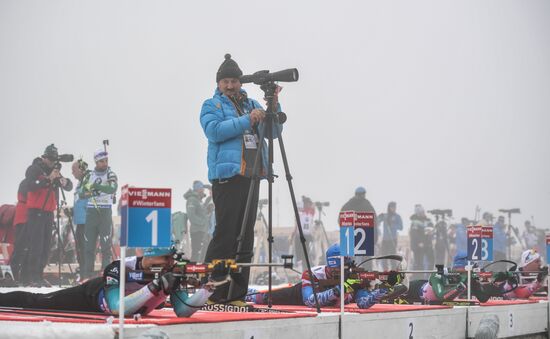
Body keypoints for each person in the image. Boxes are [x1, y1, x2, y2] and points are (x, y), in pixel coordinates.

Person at [199, 54, 282, 305]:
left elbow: (273, 132)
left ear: (241, 83)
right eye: (225, 81)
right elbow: (214, 131)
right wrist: (248, 120)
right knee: (225, 233)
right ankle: (211, 291)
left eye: (234, 81)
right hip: (227, 176)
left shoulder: (252, 102)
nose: (230, 85)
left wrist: (273, 106)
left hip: (252, 174)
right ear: (219, 83)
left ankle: (236, 294)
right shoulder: (211, 106)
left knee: (245, 236)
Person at [0, 248, 229, 317]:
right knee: (37, 301)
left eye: (171, 259)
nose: (169, 263)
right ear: (147, 256)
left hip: (134, 302)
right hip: (90, 298)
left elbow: (183, 311)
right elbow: (119, 309)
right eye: (164, 258)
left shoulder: (171, 270)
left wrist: (208, 287)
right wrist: (155, 287)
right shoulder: (119, 267)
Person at [246, 244, 405, 309]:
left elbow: (364, 303)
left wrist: (384, 289)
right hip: (297, 296)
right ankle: (243, 292)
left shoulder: (356, 277)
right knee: (261, 297)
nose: (347, 269)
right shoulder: (313, 274)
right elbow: (310, 301)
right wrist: (340, 289)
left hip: (331, 301)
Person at [18, 144, 73, 286]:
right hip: (36, 212)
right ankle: (31, 277)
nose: (52, 161)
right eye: (49, 158)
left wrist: (62, 180)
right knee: (35, 245)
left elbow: (68, 186)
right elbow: (30, 185)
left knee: (45, 246)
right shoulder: (34, 169)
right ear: (44, 157)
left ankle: (39, 275)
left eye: (54, 159)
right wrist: (48, 179)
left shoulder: (54, 171)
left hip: (49, 213)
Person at [80, 149, 118, 279]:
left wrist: (97, 188)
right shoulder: (89, 175)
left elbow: (112, 188)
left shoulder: (110, 174)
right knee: (89, 246)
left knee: (105, 247)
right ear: (96, 161)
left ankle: (106, 275)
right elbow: (81, 193)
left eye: (106, 160)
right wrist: (89, 192)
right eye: (101, 161)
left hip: (104, 212)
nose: (105, 163)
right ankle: (87, 275)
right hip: (91, 212)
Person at [339, 186, 377, 269]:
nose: (361, 196)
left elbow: (374, 220)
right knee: (351, 261)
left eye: (362, 194)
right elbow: (341, 219)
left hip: (363, 236)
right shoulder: (350, 205)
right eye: (360, 194)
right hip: (355, 236)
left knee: (365, 261)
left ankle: (366, 277)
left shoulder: (366, 204)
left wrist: (375, 236)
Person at [72, 159, 89, 280]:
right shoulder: (80, 182)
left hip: (87, 221)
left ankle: (87, 275)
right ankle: (83, 274)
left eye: (73, 170)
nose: (72, 173)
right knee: (80, 249)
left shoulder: (89, 180)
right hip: (80, 221)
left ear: (81, 169)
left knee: (85, 250)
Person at [184, 180, 209, 261]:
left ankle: (198, 269)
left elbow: (200, 213)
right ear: (198, 189)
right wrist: (202, 222)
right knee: (196, 252)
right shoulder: (192, 199)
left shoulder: (199, 200)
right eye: (202, 188)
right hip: (197, 231)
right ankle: (193, 270)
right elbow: (191, 215)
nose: (203, 190)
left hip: (202, 230)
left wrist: (207, 210)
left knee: (202, 252)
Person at [409, 204, 433, 277]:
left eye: (423, 211)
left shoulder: (427, 221)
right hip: (418, 246)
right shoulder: (415, 222)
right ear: (418, 213)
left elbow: (430, 230)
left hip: (427, 244)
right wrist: (419, 242)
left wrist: (430, 230)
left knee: (430, 261)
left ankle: (429, 276)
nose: (423, 213)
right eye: (421, 212)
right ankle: (418, 277)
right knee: (419, 263)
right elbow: (414, 234)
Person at [377, 201, 403, 270]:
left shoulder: (397, 216)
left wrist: (392, 225)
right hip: (385, 239)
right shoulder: (385, 216)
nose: (394, 208)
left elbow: (401, 227)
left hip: (393, 239)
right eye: (392, 207)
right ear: (389, 207)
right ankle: (385, 270)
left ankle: (393, 270)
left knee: (392, 256)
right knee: (384, 256)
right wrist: (379, 217)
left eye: (395, 207)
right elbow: (377, 221)